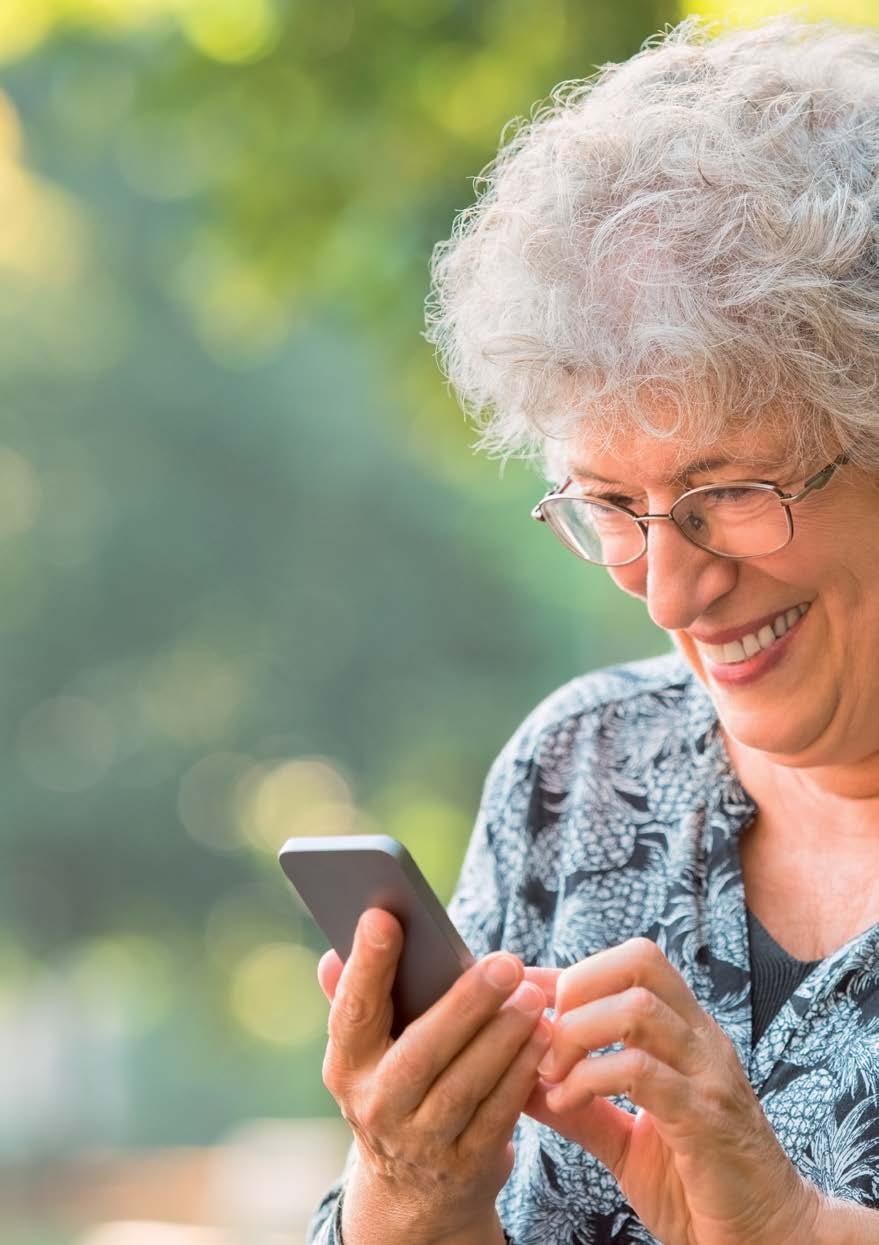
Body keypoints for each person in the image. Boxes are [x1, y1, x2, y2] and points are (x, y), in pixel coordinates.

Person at [307, 15, 879, 1244]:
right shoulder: (583, 772)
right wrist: (411, 1198)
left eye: (731, 492)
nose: (668, 591)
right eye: (612, 506)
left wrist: (799, 1231)